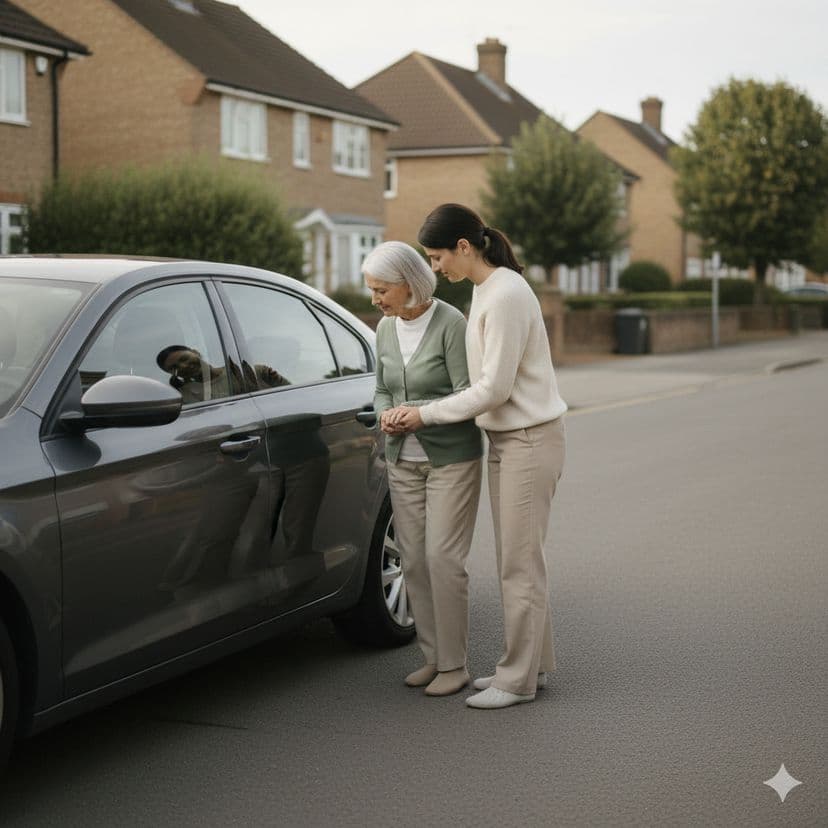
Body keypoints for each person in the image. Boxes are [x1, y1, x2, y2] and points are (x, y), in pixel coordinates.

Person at [386, 204, 568, 709]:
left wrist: (424, 414)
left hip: (528, 438)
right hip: (509, 440)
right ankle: (532, 666)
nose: (435, 268)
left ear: (464, 247)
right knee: (520, 559)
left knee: (519, 564)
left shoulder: (505, 293)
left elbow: (493, 388)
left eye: (438, 256)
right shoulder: (487, 290)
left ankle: (517, 681)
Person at [364, 240, 483, 697]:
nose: (375, 299)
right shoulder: (384, 329)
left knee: (443, 559)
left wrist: (414, 411)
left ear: (408, 283)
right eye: (372, 290)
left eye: (381, 289)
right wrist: (384, 415)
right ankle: (433, 658)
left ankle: (456, 665)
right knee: (413, 560)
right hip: (403, 462)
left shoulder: (452, 324)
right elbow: (380, 389)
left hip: (451, 460)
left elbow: (467, 392)